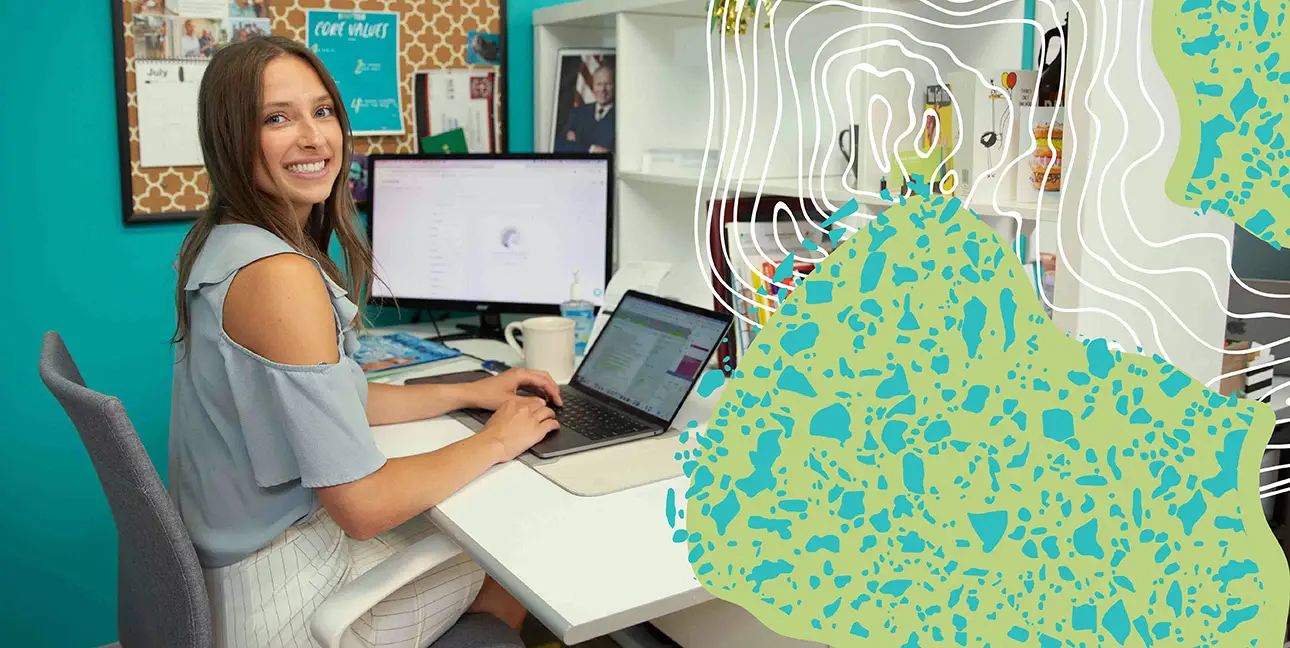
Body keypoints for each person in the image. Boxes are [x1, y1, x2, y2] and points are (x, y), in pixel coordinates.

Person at [169, 36, 563, 647]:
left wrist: (476, 391)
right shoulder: (278, 277)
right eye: (277, 118)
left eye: (322, 111)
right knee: (518, 545)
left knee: (476, 531)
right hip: (287, 607)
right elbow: (363, 506)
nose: (313, 137)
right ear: (230, 139)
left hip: (240, 579)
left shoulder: (223, 243)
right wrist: (497, 440)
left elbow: (339, 401)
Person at [554, 63, 614, 153]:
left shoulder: (623, 117)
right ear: (593, 86)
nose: (602, 89)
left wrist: (575, 145)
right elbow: (558, 146)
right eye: (598, 84)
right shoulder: (579, 112)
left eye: (607, 84)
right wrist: (591, 149)